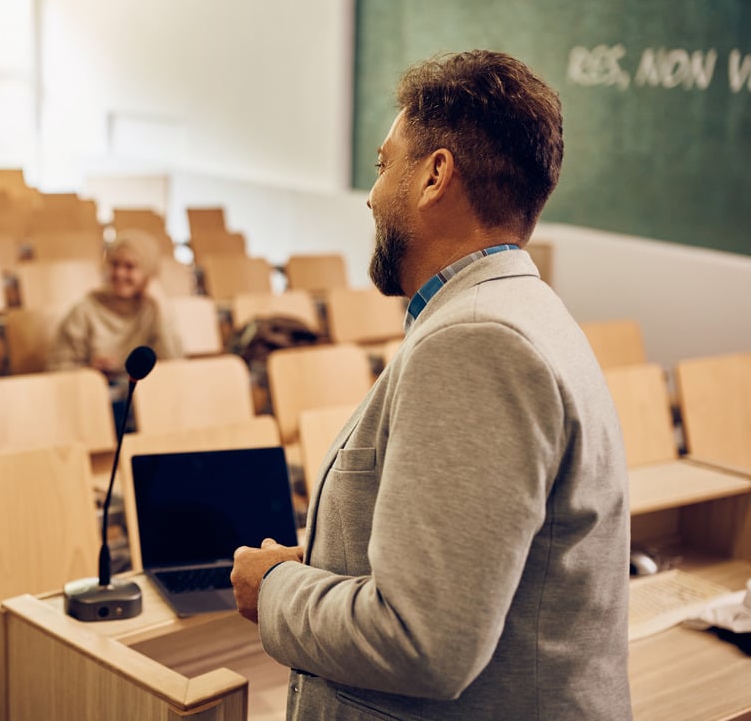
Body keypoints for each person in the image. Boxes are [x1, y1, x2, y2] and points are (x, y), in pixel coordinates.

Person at [231, 51, 631, 719]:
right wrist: (331, 561)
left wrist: (274, 588)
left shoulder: (476, 342)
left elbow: (422, 643)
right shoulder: (524, 310)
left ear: (434, 175)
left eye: (384, 164)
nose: (371, 194)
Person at [47, 229, 184, 378]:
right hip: (96, 390)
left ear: (148, 273)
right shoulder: (84, 309)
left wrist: (161, 305)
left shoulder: (154, 310)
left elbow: (174, 365)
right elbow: (57, 368)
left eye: (129, 266)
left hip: (145, 390)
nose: (119, 273)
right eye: (114, 264)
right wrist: (90, 370)